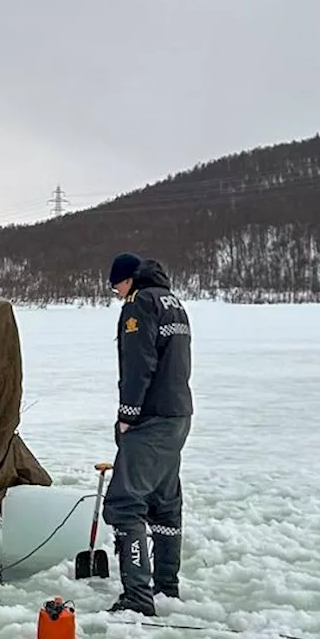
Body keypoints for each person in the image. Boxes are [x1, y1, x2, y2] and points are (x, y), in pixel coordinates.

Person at [101, 252, 193, 616]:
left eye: (116, 287)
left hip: (151, 417)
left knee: (125, 503)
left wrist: (127, 414)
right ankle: (166, 587)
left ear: (128, 280)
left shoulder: (140, 305)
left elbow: (139, 363)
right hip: (178, 414)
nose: (118, 295)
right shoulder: (175, 304)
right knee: (164, 502)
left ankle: (138, 598)